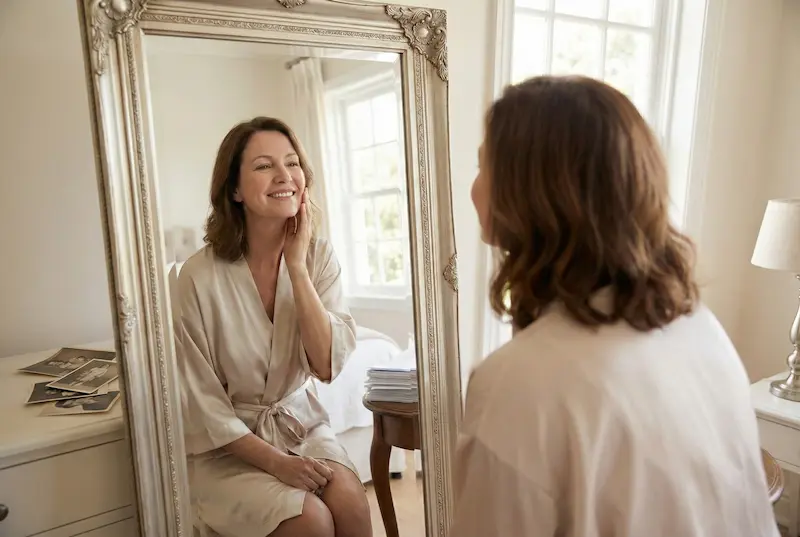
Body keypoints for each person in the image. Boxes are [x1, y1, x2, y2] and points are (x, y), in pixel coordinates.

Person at [451, 76, 780, 537]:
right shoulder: (699, 327)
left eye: (482, 166)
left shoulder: (516, 385)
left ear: (527, 193)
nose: (473, 188)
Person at [174, 116, 372, 537]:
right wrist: (278, 463)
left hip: (300, 426)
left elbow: (325, 366)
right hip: (228, 449)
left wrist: (297, 268)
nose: (285, 176)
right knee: (311, 521)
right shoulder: (197, 278)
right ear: (234, 189)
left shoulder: (318, 258)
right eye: (264, 166)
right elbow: (203, 408)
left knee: (351, 503)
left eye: (292, 162)